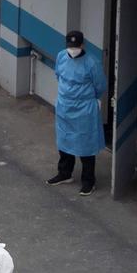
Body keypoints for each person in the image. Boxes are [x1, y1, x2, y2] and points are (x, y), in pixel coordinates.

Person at [46, 31, 107, 196]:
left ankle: (88, 181)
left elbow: (100, 86)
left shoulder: (92, 63)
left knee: (86, 145)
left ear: (82, 45)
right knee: (64, 141)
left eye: (75, 47)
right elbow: (58, 75)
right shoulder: (61, 56)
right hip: (65, 106)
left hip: (84, 109)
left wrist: (84, 98)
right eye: (70, 47)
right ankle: (65, 173)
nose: (72, 50)